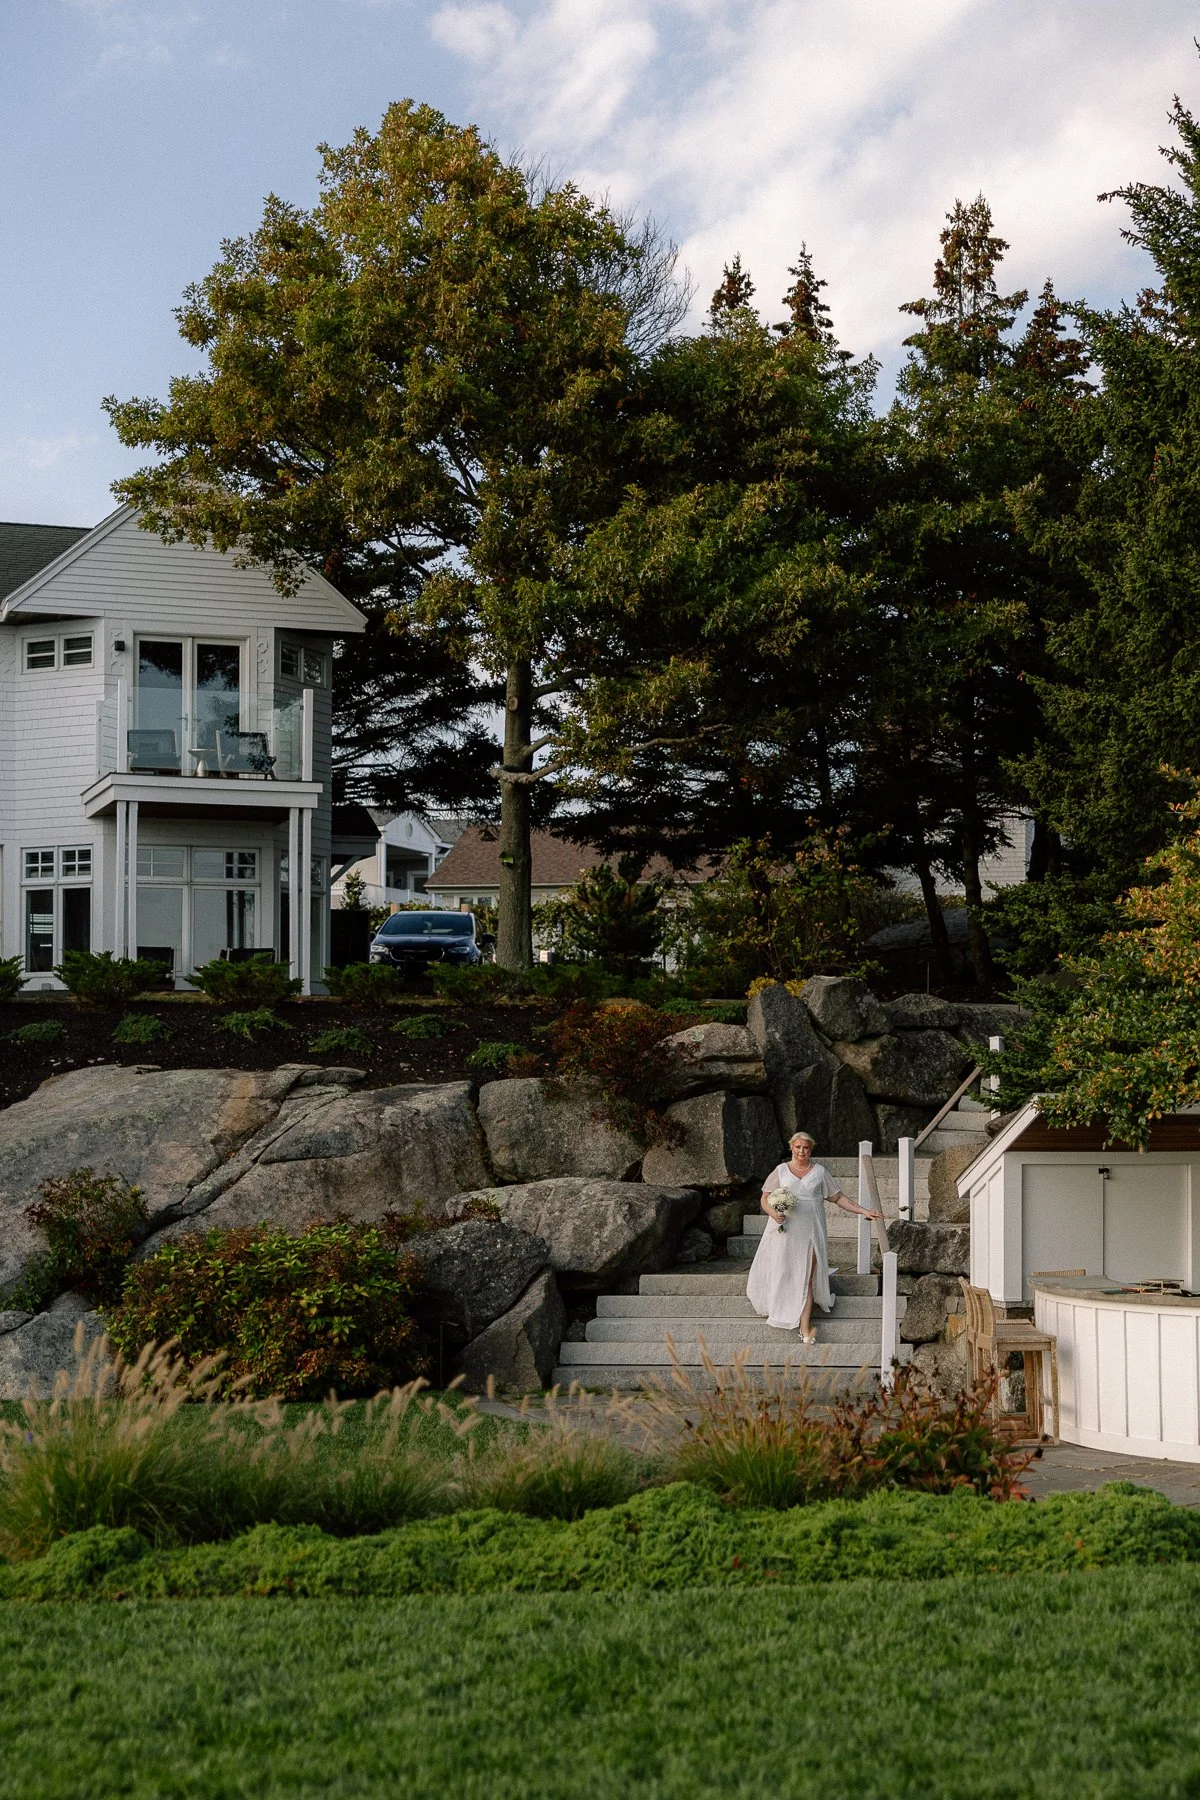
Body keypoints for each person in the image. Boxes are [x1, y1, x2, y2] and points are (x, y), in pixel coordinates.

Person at [746, 1130, 882, 1344]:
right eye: (798, 1147)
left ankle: (805, 1327)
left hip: (811, 1230)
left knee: (808, 1276)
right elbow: (765, 1198)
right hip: (786, 1229)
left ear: (811, 1149)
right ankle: (781, 1307)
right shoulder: (781, 1171)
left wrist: (863, 1211)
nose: (802, 1151)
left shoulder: (819, 1172)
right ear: (791, 1147)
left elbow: (838, 1197)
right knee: (785, 1271)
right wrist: (773, 1213)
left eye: (806, 1147)